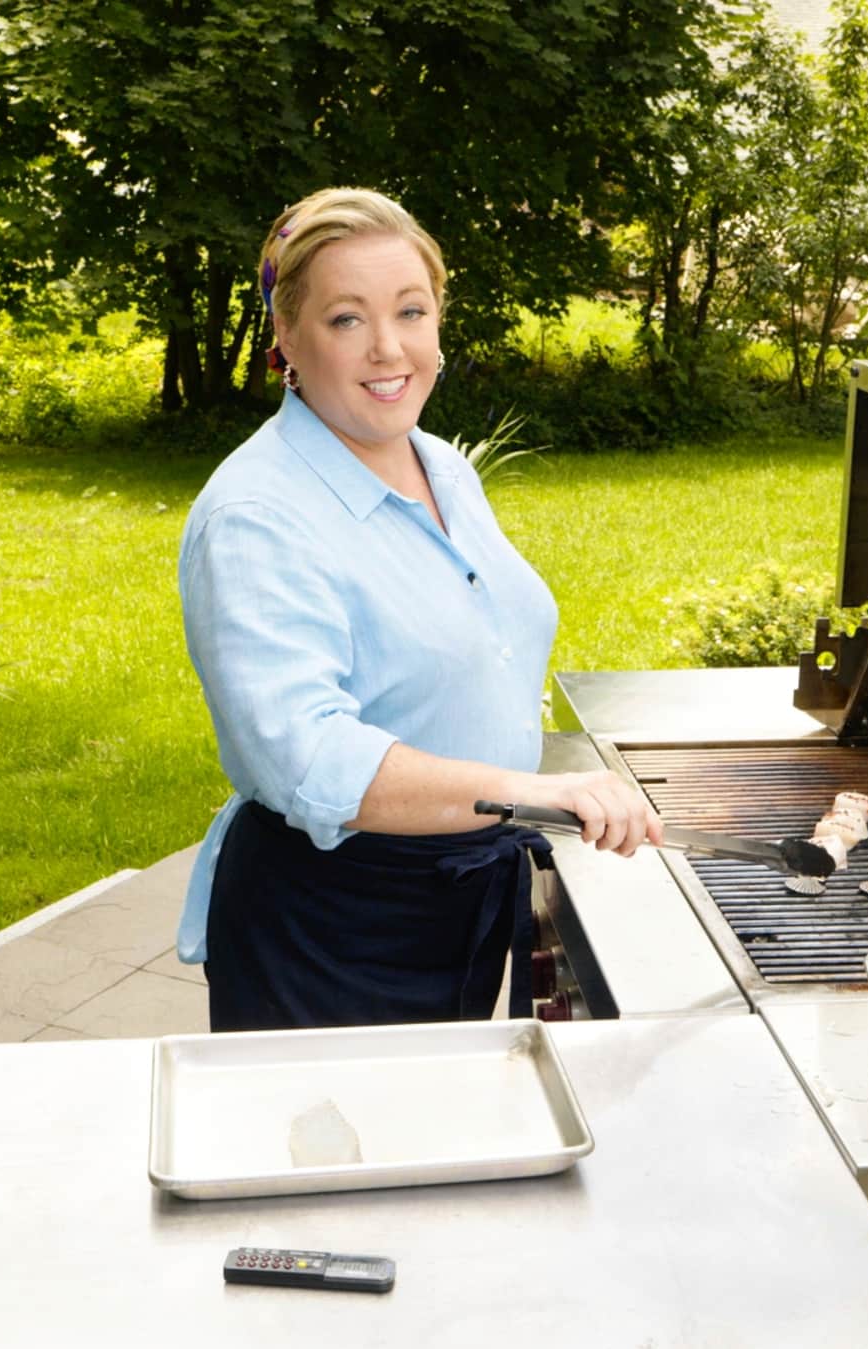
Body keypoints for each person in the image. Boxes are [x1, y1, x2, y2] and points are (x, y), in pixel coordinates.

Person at [175, 187, 663, 1032]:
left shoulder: (441, 467)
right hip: (334, 929)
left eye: (411, 310)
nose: (389, 347)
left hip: (462, 898)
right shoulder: (256, 517)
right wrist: (528, 789)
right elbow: (308, 759)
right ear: (286, 335)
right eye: (345, 320)